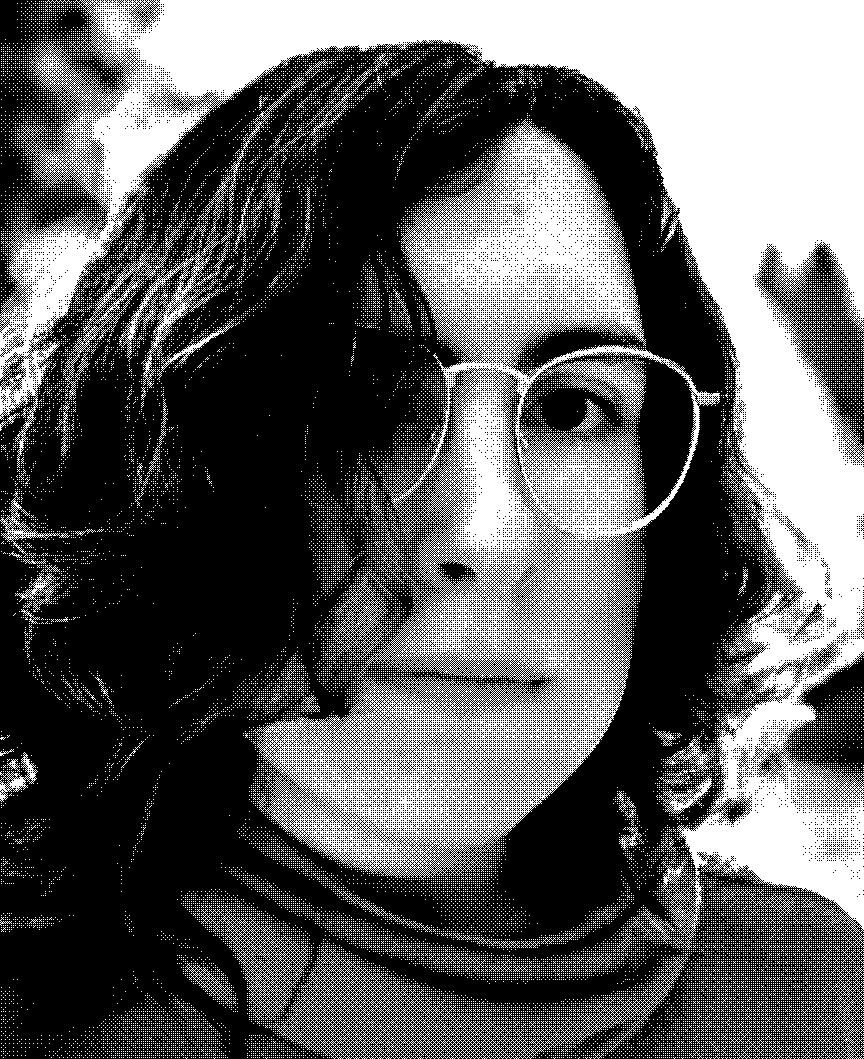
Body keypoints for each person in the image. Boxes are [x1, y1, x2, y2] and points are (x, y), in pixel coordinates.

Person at [0, 41, 861, 1059]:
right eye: (362, 403)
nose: (490, 535)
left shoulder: (815, 999)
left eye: (573, 407)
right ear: (156, 477)